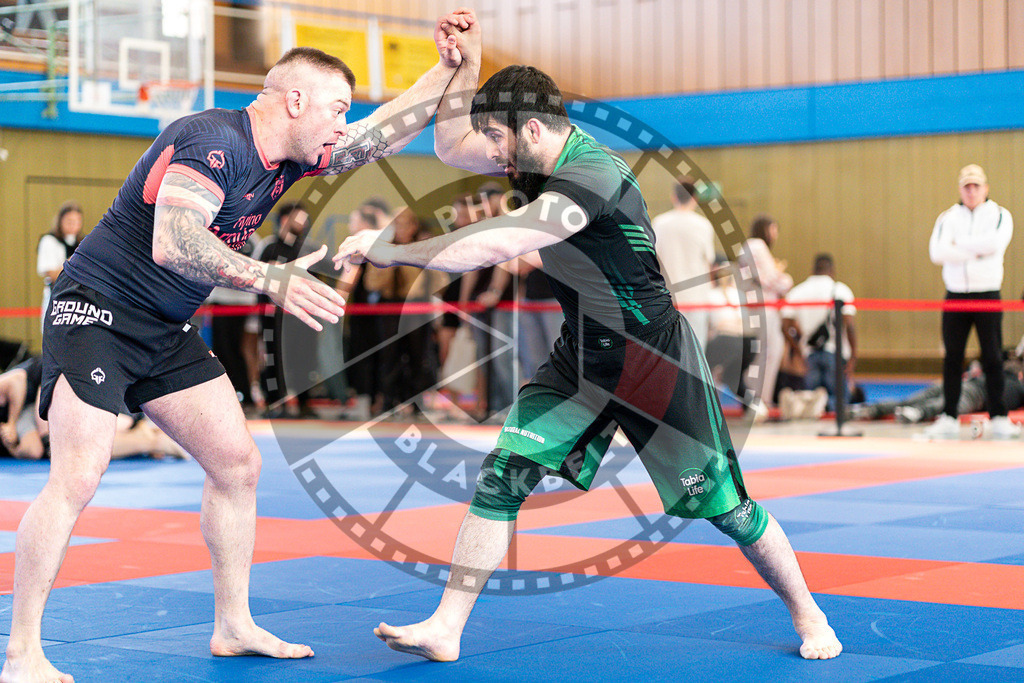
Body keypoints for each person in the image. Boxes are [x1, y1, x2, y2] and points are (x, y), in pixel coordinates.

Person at [335, 16, 841, 662]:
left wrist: (391, 249)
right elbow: (448, 145)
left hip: (653, 359)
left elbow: (500, 243)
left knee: (728, 509)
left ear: (535, 130)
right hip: (584, 355)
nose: (491, 152)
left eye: (499, 138)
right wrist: (469, 65)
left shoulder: (591, 176)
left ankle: (809, 612)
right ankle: (447, 626)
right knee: (503, 474)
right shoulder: (528, 153)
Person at [0, 10, 476, 682]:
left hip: (164, 330)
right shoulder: (211, 141)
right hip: (96, 313)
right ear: (295, 101)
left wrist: (452, 65)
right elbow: (175, 240)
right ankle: (21, 653)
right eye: (337, 109)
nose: (343, 125)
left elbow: (381, 135)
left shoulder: (291, 157)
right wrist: (268, 277)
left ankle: (232, 623)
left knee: (238, 462)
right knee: (78, 474)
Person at [924, 164, 1017, 440]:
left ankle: (999, 416)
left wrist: (959, 246)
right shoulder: (948, 217)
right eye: (967, 186)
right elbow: (937, 252)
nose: (972, 191)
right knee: (952, 357)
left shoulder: (1000, 214)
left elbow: (995, 244)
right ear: (960, 189)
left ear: (985, 188)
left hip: (987, 292)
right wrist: (974, 249)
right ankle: (950, 416)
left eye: (976, 186)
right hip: (955, 294)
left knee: (992, 356)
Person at [256, 201, 319, 419]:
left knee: (303, 358)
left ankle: (304, 404)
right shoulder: (269, 247)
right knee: (274, 358)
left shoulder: (307, 249)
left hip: (300, 316)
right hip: (274, 316)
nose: (303, 222)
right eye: (298, 217)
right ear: (285, 219)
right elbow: (257, 281)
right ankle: (275, 403)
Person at [850, 357, 1024, 431]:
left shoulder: (991, 373)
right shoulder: (1018, 385)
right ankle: (918, 413)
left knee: (909, 400)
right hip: (974, 393)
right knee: (948, 404)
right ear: (1020, 375)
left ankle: (869, 409)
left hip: (960, 382)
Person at [780, 254, 857, 412]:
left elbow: (784, 326)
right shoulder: (841, 290)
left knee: (810, 397)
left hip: (808, 355)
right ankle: (828, 405)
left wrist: (797, 351)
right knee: (841, 402)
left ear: (813, 269)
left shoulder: (798, 291)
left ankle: (810, 403)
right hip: (835, 353)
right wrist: (853, 357)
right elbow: (849, 325)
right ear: (832, 270)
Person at [737, 214, 792, 414]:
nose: (775, 234)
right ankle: (758, 400)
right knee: (767, 353)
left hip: (759, 308)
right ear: (765, 229)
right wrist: (786, 279)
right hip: (761, 309)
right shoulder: (756, 245)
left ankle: (758, 400)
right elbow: (772, 279)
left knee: (765, 353)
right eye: (774, 229)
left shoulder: (752, 247)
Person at [652, 176, 716, 348]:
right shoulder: (703, 225)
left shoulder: (659, 223)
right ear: (695, 199)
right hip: (697, 299)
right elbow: (710, 262)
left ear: (674, 197)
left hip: (669, 299)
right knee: (697, 352)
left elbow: (653, 262)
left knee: (670, 353)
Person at [36, 201, 83, 324]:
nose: (74, 225)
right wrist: (74, 261)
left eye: (77, 221)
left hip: (76, 298)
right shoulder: (48, 241)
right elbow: (52, 274)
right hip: (55, 296)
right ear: (60, 221)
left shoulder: (82, 243)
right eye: (69, 221)